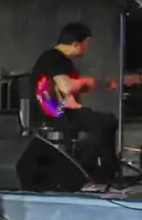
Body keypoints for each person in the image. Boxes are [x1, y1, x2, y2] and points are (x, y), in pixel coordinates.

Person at [32, 22, 132, 183]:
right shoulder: (53, 58)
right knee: (102, 123)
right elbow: (67, 86)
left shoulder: (59, 60)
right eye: (87, 44)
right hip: (53, 115)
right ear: (76, 44)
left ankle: (106, 171)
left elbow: (72, 87)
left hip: (62, 112)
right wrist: (96, 83)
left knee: (106, 121)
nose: (87, 48)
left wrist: (104, 84)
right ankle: (84, 171)